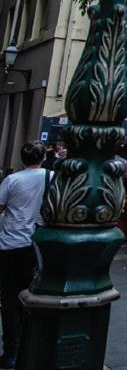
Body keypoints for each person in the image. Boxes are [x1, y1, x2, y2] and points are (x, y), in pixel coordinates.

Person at [0, 142, 50, 368]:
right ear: (43, 157)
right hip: (38, 244)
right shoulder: (51, 178)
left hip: (11, 243)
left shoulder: (13, 180)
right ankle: (31, 343)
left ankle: (12, 349)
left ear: (22, 159)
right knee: (34, 295)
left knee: (10, 299)